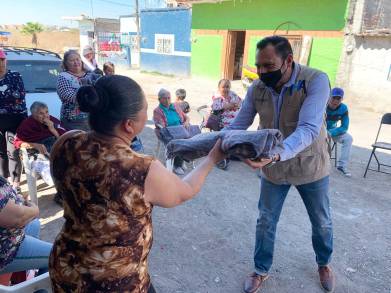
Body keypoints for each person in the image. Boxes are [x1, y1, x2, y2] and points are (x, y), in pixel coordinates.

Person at [49, 75, 225, 293]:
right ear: (129, 125)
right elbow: (185, 191)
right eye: (144, 110)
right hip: (115, 283)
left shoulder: (66, 142)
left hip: (66, 268)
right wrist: (211, 159)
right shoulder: (140, 169)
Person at [224, 36, 335, 293]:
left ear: (288, 61)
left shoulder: (315, 80)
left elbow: (308, 128)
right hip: (274, 167)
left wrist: (274, 154)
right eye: (258, 66)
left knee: (321, 221)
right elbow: (239, 124)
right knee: (265, 220)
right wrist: (214, 141)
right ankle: (261, 269)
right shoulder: (257, 88)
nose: (262, 72)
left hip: (310, 165)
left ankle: (324, 262)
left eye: (268, 66)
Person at [0, 176, 52, 277]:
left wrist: (17, 199)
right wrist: (35, 210)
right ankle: (37, 288)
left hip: (10, 235)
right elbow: (17, 218)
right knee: (58, 256)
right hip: (5, 249)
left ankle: (28, 273)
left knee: (34, 224)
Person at [0, 48, 27, 193]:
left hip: (16, 121)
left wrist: (6, 102)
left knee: (13, 151)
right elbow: (12, 98)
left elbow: (19, 96)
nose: (1, 63)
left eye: (3, 60)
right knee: (1, 153)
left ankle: (16, 184)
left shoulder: (15, 76)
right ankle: (5, 184)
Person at [57, 50, 100, 131]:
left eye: (77, 59)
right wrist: (90, 94)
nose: (76, 62)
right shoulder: (63, 77)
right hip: (73, 120)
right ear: (66, 63)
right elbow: (69, 96)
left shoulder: (91, 74)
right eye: (72, 60)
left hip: (93, 117)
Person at [153, 88, 190, 175]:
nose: (167, 100)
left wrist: (186, 122)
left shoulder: (175, 106)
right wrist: (175, 130)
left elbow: (186, 117)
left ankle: (182, 160)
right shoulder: (157, 111)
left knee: (190, 139)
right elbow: (162, 127)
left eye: (169, 98)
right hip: (167, 132)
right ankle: (176, 165)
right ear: (159, 99)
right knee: (180, 141)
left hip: (180, 129)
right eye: (164, 98)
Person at [211, 79, 242, 170]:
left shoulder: (233, 94)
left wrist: (232, 106)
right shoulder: (216, 96)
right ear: (219, 87)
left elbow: (240, 103)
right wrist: (228, 106)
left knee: (240, 132)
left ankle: (233, 153)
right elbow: (215, 108)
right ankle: (223, 156)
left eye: (227, 86)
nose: (226, 89)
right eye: (223, 87)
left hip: (235, 120)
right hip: (222, 121)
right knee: (227, 134)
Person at [327, 87, 353, 177]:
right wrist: (324, 132)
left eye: (339, 98)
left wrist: (331, 132)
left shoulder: (344, 108)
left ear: (342, 99)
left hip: (332, 131)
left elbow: (344, 127)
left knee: (348, 138)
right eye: (334, 98)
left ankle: (341, 166)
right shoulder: (322, 104)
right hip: (318, 131)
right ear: (329, 97)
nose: (335, 101)